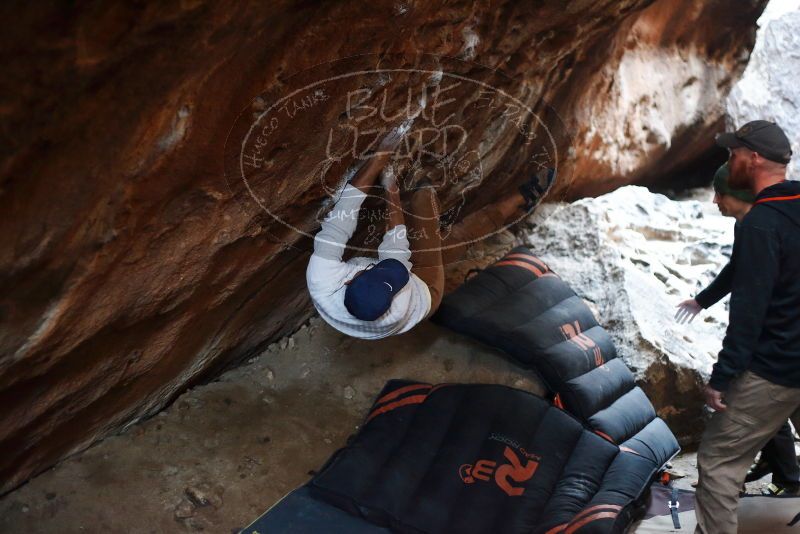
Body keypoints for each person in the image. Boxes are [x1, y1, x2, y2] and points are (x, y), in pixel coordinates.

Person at [307, 128, 555, 340]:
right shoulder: (399, 305)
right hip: (426, 291)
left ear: (349, 280)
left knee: (448, 245)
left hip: (389, 283)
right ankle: (519, 200)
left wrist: (380, 157)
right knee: (424, 200)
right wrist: (390, 186)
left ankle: (513, 205)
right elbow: (396, 239)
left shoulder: (322, 276)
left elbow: (345, 210)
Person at [691, 120, 800, 534]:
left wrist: (722, 377)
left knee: (718, 461)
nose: (729, 160)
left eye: (733, 153)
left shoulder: (761, 223)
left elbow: (749, 312)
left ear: (752, 159)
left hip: (776, 368)